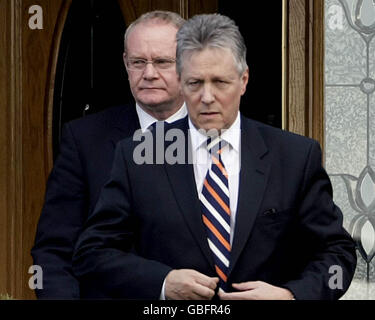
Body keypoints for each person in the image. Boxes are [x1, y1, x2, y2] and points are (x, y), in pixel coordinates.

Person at [72, 14, 357, 300]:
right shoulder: (138, 154)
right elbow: (92, 253)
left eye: (220, 82)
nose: (207, 97)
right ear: (181, 82)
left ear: (243, 80)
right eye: (195, 83)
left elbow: (337, 253)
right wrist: (162, 283)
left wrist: (291, 296)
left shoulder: (294, 156)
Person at [31, 10, 186, 299]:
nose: (149, 74)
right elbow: (54, 251)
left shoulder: (223, 136)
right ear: (126, 64)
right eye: (138, 62)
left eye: (162, 62)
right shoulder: (85, 140)